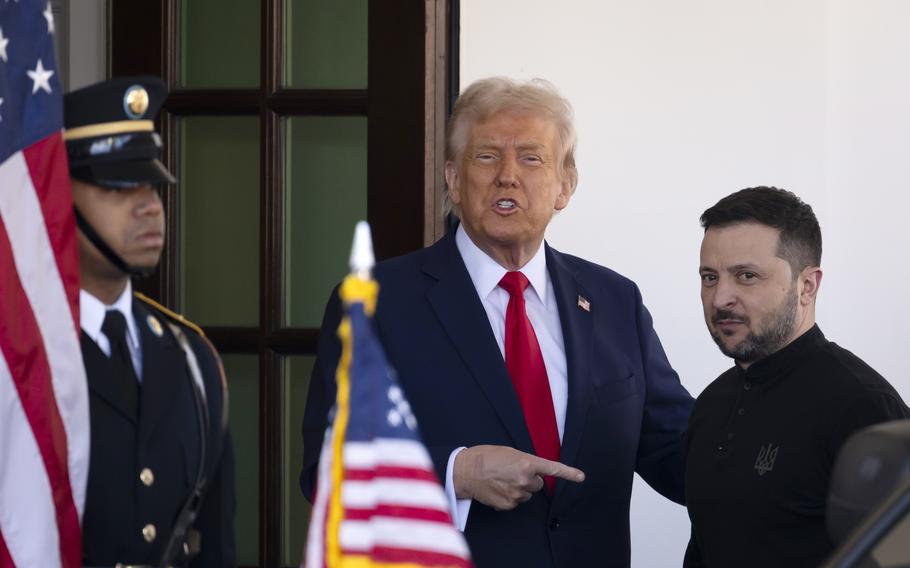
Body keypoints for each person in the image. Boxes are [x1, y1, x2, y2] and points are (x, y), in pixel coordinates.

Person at [301, 77, 694, 567]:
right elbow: (327, 468)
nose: (508, 175)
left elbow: (678, 450)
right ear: (452, 178)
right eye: (487, 156)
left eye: (531, 158)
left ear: (565, 186)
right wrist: (457, 472)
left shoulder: (615, 301)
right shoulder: (379, 303)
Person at [685, 186, 910, 567]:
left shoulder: (863, 406)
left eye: (746, 276)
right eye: (709, 277)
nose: (720, 297)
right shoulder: (711, 404)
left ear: (807, 286)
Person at [64, 76, 236, 567]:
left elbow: (215, 546)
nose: (148, 206)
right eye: (118, 187)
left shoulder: (191, 357)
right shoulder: (21, 357)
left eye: (152, 184)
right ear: (57, 199)